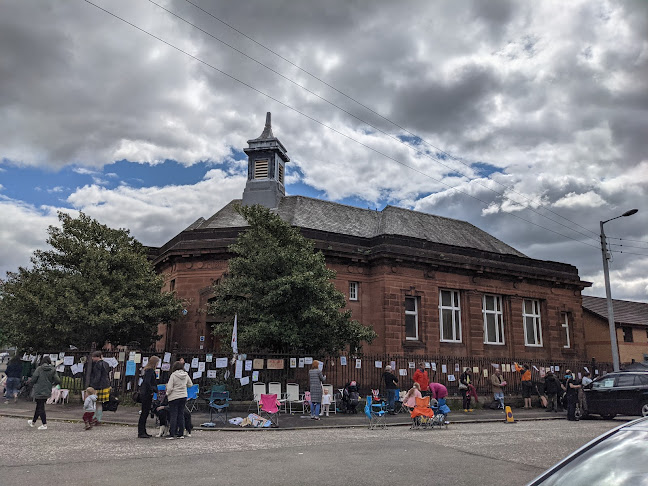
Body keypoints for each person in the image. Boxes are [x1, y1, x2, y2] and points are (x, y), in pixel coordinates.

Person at [28, 356, 60, 430]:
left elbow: (34, 378)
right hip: (47, 389)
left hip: (39, 389)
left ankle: (44, 424)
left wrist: (31, 383)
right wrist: (51, 383)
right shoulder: (52, 369)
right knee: (39, 406)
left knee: (40, 407)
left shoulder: (39, 369)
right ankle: (33, 422)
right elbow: (58, 380)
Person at [165, 361, 193, 439]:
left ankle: (172, 433)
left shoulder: (173, 375)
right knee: (181, 414)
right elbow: (190, 384)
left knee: (173, 415)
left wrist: (167, 393)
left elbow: (170, 387)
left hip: (174, 397)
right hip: (183, 396)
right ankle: (181, 433)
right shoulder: (186, 374)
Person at [138, 356, 159, 438]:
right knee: (144, 412)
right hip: (147, 394)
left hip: (145, 393)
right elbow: (147, 382)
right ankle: (141, 432)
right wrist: (151, 390)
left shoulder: (147, 370)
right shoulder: (150, 371)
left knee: (145, 412)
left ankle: (143, 431)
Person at [89, 351, 111, 425]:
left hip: (99, 386)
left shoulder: (97, 365)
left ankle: (97, 419)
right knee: (99, 403)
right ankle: (97, 418)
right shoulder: (106, 364)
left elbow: (97, 377)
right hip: (106, 385)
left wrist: (93, 386)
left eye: (93, 357)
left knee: (97, 403)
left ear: (97, 357)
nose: (92, 358)